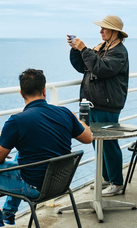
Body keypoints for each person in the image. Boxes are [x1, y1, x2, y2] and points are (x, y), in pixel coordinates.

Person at [0, 69, 93, 225]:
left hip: (34, 188)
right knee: (21, 156)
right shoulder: (65, 113)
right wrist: (78, 120)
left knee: (17, 161)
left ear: (21, 93)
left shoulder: (16, 121)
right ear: (44, 90)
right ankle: (8, 213)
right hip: (60, 184)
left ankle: (4, 214)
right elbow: (88, 138)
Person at [69, 15, 129, 196]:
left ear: (115, 32)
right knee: (97, 142)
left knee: (109, 144)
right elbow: (83, 67)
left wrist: (84, 49)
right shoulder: (102, 48)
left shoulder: (119, 52)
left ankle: (117, 183)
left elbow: (102, 69)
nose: (101, 31)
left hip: (107, 104)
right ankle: (106, 177)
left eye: (104, 28)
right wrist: (75, 50)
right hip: (92, 103)